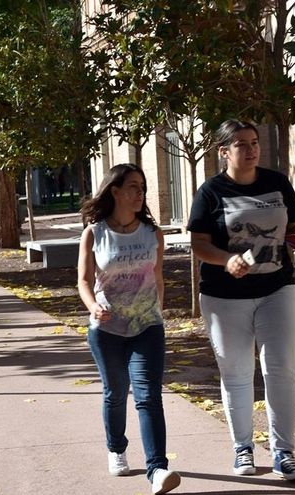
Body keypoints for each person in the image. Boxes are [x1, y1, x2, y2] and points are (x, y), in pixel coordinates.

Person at [187, 119, 295, 480]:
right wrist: (227, 260)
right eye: (241, 144)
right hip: (225, 297)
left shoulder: (277, 182)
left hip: (277, 288)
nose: (251, 149)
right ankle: (243, 448)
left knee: (282, 370)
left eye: (254, 142)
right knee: (237, 374)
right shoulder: (211, 191)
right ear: (224, 151)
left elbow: (293, 227)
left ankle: (284, 452)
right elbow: (198, 244)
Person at [77, 164, 180, 494]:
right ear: (115, 191)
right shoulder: (95, 232)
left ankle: (157, 469)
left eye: (142, 187)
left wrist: (157, 311)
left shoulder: (152, 233)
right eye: (133, 186)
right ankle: (116, 448)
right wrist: (93, 307)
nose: (140, 193)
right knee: (116, 392)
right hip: (106, 329)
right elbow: (83, 281)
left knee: (149, 396)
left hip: (147, 326)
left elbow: (158, 278)